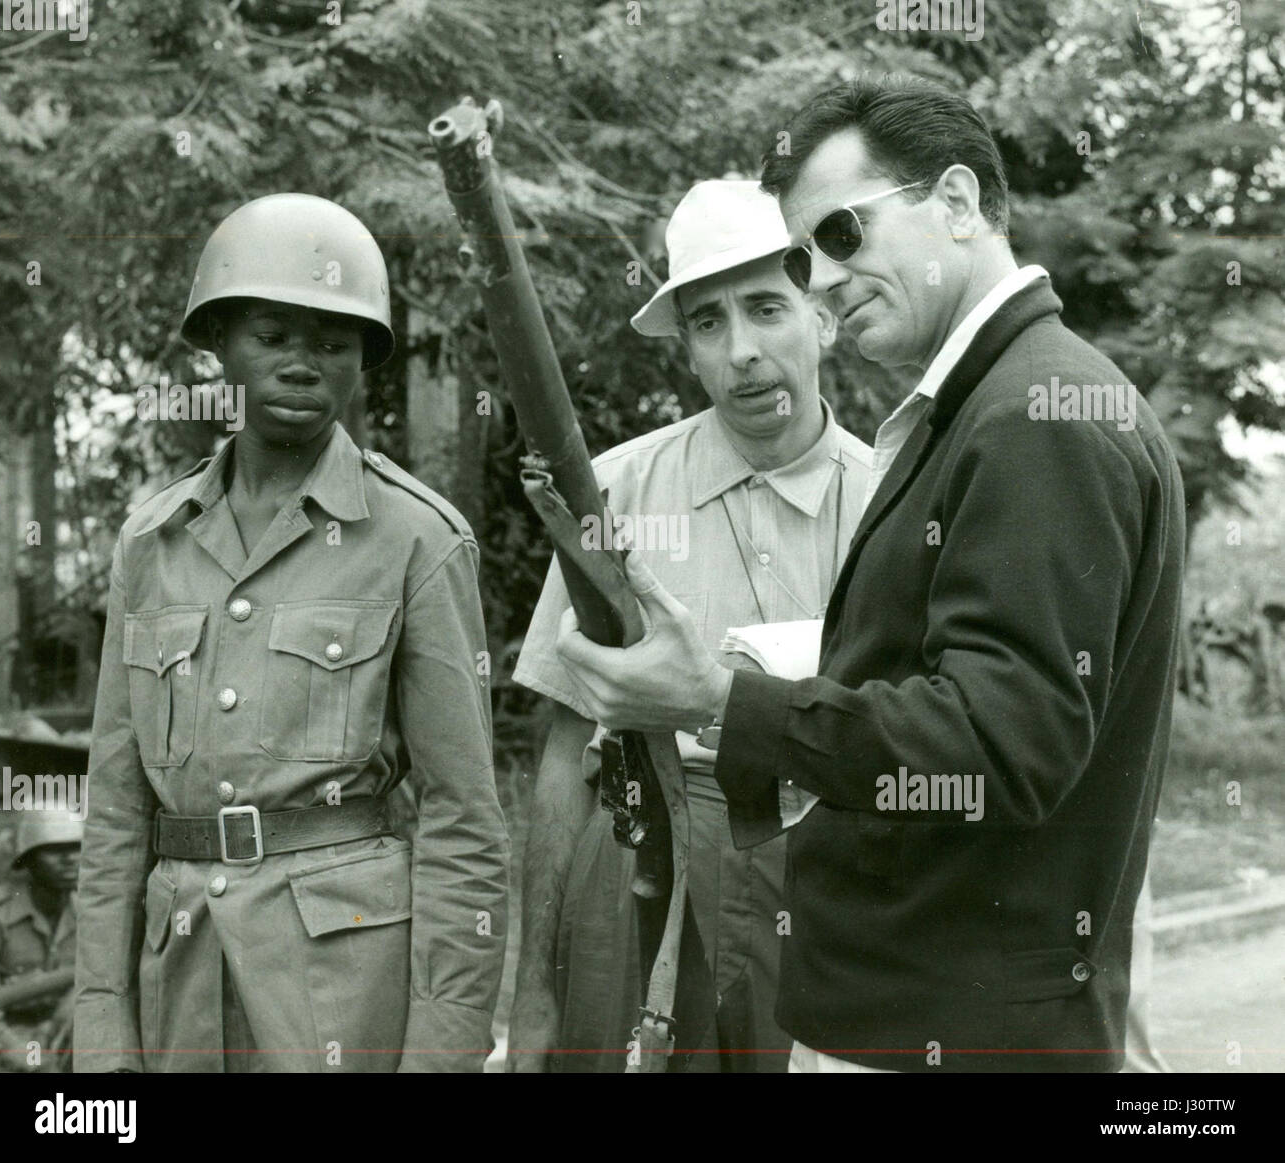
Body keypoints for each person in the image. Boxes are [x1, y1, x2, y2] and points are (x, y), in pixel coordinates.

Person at [553, 78, 1186, 1073]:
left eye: (841, 235)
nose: (822, 280)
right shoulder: (995, 410)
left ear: (959, 203)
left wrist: (720, 699)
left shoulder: (1033, 418)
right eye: (803, 255)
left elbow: (1000, 740)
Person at [75, 193, 509, 1073]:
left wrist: (442, 1057)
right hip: (180, 989)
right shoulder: (150, 543)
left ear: (363, 363)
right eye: (273, 336)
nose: (303, 364)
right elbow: (116, 816)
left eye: (332, 342)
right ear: (221, 345)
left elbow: (466, 824)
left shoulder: (416, 539)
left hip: (343, 993)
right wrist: (101, 1043)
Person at [508, 179, 872, 1072]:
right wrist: (535, 991)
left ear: (822, 314)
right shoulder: (614, 494)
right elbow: (564, 751)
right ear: (688, 350)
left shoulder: (897, 501)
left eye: (766, 308)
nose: (742, 351)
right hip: (635, 866)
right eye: (709, 322)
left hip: (828, 880)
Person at [0, 810, 83, 1073]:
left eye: (76, 848)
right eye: (53, 850)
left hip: (67, 1034)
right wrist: (33, 1060)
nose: (69, 859)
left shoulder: (89, 916)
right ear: (27, 860)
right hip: (7, 1038)